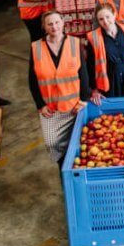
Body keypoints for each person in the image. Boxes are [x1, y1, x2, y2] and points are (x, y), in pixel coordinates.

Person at [29, 11, 90, 167]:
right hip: (51, 110)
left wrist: (83, 99)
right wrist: (40, 105)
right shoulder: (36, 48)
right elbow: (32, 80)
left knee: (79, 142)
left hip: (73, 107)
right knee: (51, 143)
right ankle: (63, 163)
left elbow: (83, 74)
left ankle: (69, 168)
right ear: (44, 27)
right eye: (50, 24)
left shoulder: (75, 43)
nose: (54, 26)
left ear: (63, 23)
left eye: (57, 22)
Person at [86, 3, 124, 102]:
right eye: (101, 19)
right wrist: (94, 90)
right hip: (109, 81)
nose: (105, 21)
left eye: (107, 17)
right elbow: (90, 65)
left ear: (114, 15)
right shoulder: (93, 38)